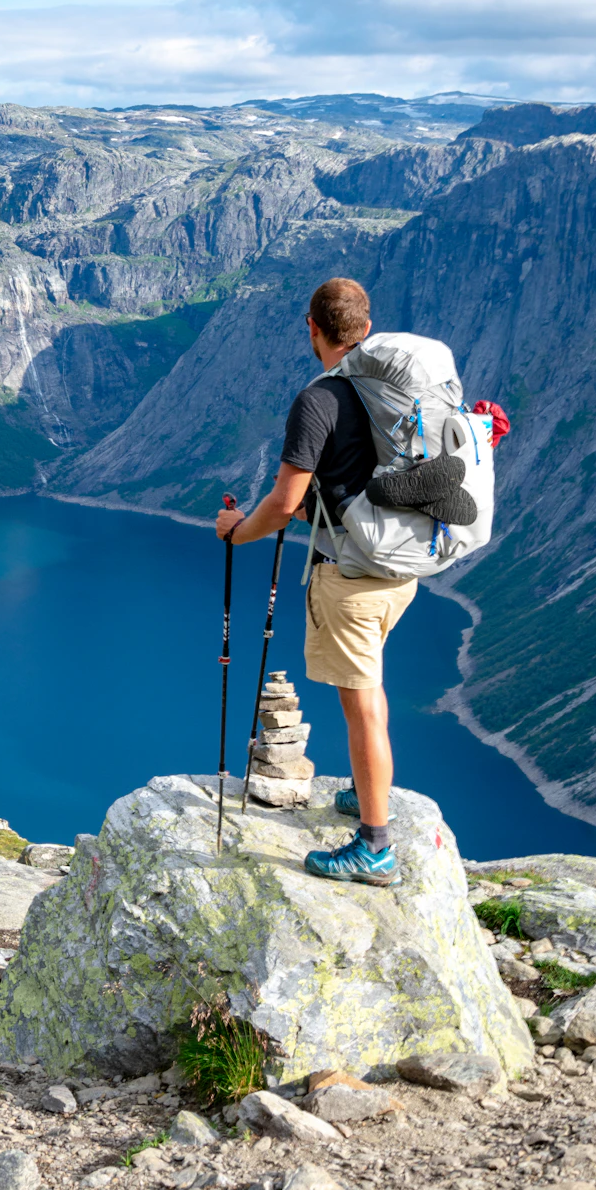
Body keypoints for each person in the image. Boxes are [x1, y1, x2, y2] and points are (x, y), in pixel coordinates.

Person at [215, 276, 415, 887]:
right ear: (366, 327)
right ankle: (365, 791)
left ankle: (375, 847)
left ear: (313, 328)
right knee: (370, 690)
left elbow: (284, 502)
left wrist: (235, 531)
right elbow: (351, 486)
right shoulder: (392, 387)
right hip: (400, 569)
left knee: (360, 708)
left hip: (352, 579)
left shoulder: (320, 400)